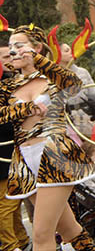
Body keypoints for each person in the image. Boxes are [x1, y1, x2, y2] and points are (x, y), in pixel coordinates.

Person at [0, 25, 95, 251]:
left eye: (19, 45)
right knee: (69, 229)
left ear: (37, 48)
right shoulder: (9, 85)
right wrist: (26, 109)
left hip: (53, 155)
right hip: (25, 160)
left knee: (42, 234)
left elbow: (74, 85)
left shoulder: (51, 77)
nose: (13, 51)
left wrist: (40, 61)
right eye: (11, 46)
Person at [0, 40, 30, 251]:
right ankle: (10, 245)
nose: (10, 60)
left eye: (11, 55)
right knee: (7, 203)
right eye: (5, 57)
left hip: (21, 149)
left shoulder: (16, 80)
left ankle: (23, 241)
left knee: (16, 201)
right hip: (3, 153)